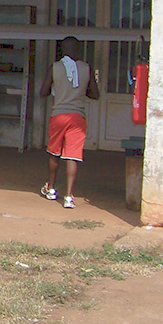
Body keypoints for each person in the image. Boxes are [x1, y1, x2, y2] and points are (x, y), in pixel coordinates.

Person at [39, 36, 98, 208]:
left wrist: (58, 87)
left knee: (54, 152)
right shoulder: (86, 68)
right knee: (72, 156)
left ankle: (51, 188)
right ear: (78, 50)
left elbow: (43, 92)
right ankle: (69, 196)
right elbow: (95, 94)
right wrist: (79, 91)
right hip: (77, 117)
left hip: (59, 115)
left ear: (62, 50)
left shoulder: (55, 67)